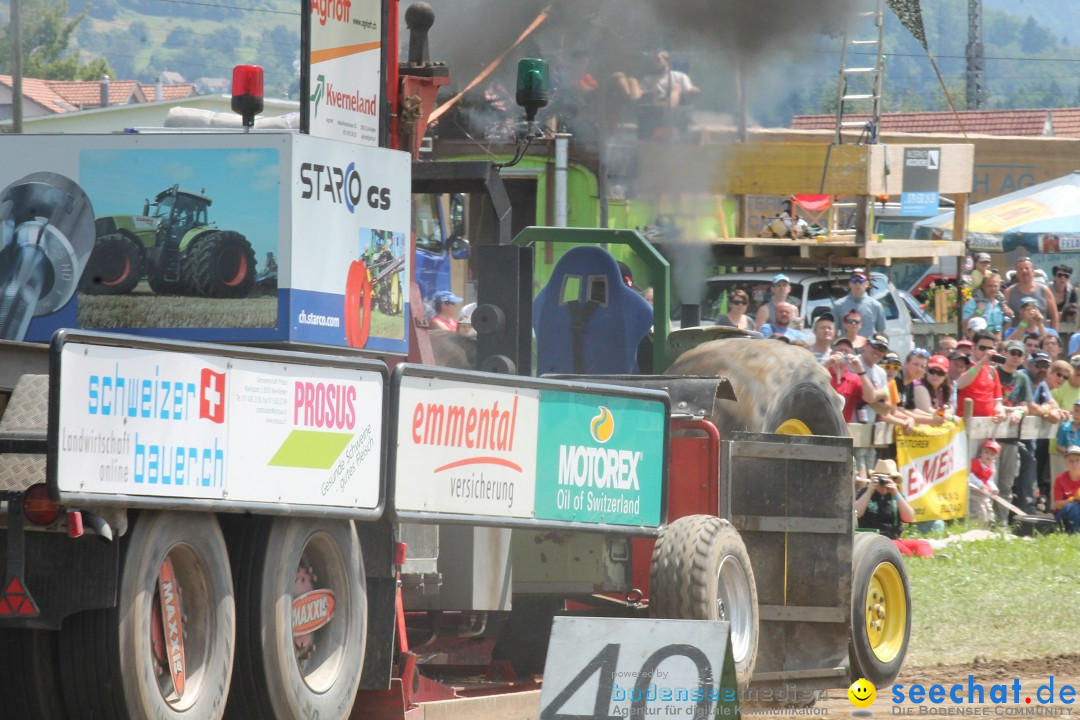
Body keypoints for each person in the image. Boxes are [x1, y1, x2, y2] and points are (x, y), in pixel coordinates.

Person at [855, 459, 932, 558]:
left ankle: (927, 557)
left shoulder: (895, 496)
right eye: (881, 479)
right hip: (873, 540)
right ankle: (909, 555)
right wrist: (870, 491)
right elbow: (856, 513)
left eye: (889, 479)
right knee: (903, 550)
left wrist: (896, 493)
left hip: (894, 539)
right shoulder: (864, 493)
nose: (883, 483)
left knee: (923, 544)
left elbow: (909, 517)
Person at [1003, 257, 1058, 330]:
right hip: (1018, 336)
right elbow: (1005, 317)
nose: (1024, 271)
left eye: (1027, 268)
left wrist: (1054, 334)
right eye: (1020, 269)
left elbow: (1054, 316)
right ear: (1016, 273)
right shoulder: (1009, 292)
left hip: (1042, 335)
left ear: (1033, 272)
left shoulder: (1044, 290)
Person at [832, 271, 886, 339]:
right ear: (850, 284)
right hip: (847, 347)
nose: (857, 283)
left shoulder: (876, 306)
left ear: (867, 284)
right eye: (854, 280)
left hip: (868, 348)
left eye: (861, 280)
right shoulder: (838, 305)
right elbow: (834, 332)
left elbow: (881, 333)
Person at [962, 271, 1008, 336]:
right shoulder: (972, 303)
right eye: (989, 286)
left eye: (995, 286)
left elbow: (1006, 326)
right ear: (983, 286)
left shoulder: (1001, 305)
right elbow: (965, 328)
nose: (992, 289)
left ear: (999, 287)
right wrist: (979, 311)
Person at [968, 439, 1001, 527]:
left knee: (989, 513)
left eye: (992, 454)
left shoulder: (991, 468)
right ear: (981, 452)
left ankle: (987, 528)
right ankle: (975, 528)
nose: (988, 456)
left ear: (995, 457)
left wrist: (994, 489)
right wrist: (980, 484)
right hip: (974, 491)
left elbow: (990, 481)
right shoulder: (976, 463)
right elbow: (970, 476)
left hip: (984, 493)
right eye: (986, 452)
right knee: (980, 512)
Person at [1051, 445, 1080, 533]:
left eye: (1078, 460)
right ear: (1065, 462)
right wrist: (1073, 499)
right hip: (1064, 515)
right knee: (1073, 507)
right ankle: (1074, 533)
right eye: (1071, 461)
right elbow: (1058, 505)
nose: (1074, 464)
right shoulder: (1060, 479)